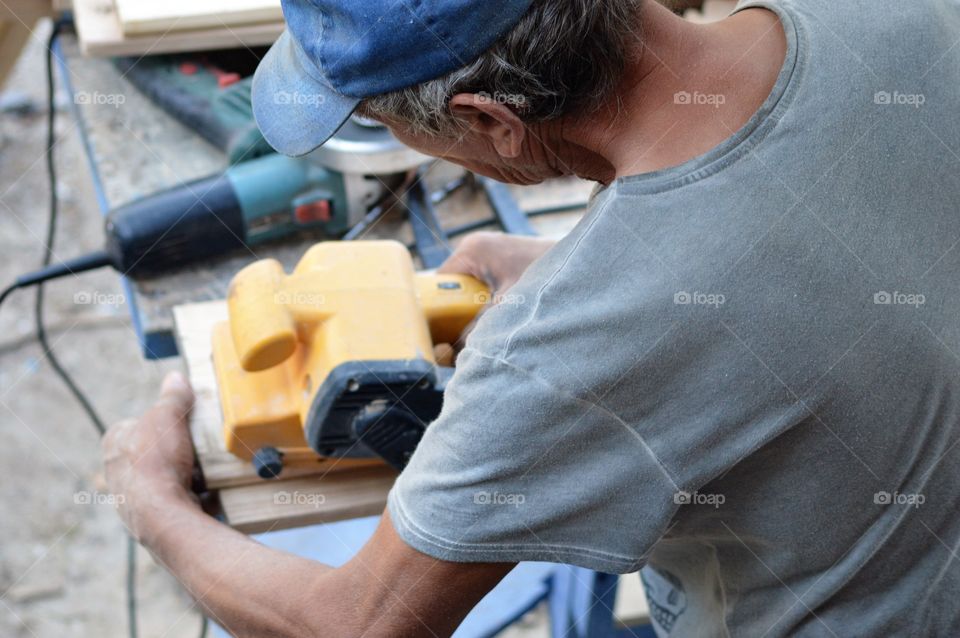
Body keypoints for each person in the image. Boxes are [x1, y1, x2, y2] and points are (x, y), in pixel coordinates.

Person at [102, 0, 960, 635]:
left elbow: (361, 623)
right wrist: (575, 275)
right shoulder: (899, 16)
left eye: (391, 128)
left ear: (489, 121)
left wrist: (154, 503)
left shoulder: (566, 350)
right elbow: (824, 232)